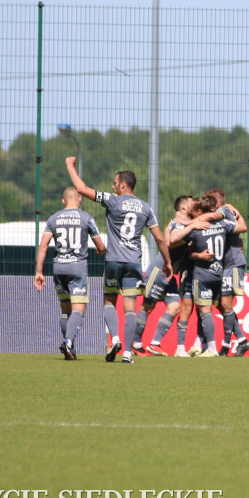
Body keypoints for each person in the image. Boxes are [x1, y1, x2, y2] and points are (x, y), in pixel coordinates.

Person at [65, 156, 172, 364]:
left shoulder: (112, 200)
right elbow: (159, 238)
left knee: (109, 302)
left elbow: (81, 188)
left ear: (123, 184)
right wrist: (167, 261)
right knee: (130, 307)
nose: (112, 187)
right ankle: (128, 353)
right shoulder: (146, 207)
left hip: (113, 261)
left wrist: (70, 165)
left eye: (114, 183)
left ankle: (114, 338)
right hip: (133, 264)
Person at [35, 187, 106, 360]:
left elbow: (43, 245)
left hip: (59, 268)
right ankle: (67, 341)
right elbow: (100, 245)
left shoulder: (53, 219)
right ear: (80, 199)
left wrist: (38, 271)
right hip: (77, 268)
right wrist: (100, 250)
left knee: (65, 310)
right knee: (78, 310)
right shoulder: (86, 218)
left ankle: (70, 348)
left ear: (63, 200)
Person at [142, 195, 209, 356]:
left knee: (174, 307)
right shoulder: (178, 223)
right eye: (193, 203)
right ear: (184, 208)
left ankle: (155, 343)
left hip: (171, 274)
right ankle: (136, 344)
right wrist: (193, 226)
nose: (196, 206)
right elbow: (171, 239)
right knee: (147, 307)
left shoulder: (184, 222)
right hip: (160, 270)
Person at [178, 195, 236, 358]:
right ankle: (213, 345)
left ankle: (211, 349)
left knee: (205, 312)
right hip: (219, 273)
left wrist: (188, 223)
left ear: (199, 211)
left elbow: (177, 239)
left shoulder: (197, 229)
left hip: (202, 275)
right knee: (224, 309)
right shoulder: (223, 224)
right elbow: (237, 225)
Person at [205, 188, 249, 357]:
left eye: (208, 202)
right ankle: (241, 341)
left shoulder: (224, 213)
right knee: (221, 304)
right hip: (225, 265)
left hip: (232, 263)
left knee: (226, 305)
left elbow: (242, 227)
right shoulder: (225, 211)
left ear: (215, 204)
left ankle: (226, 345)